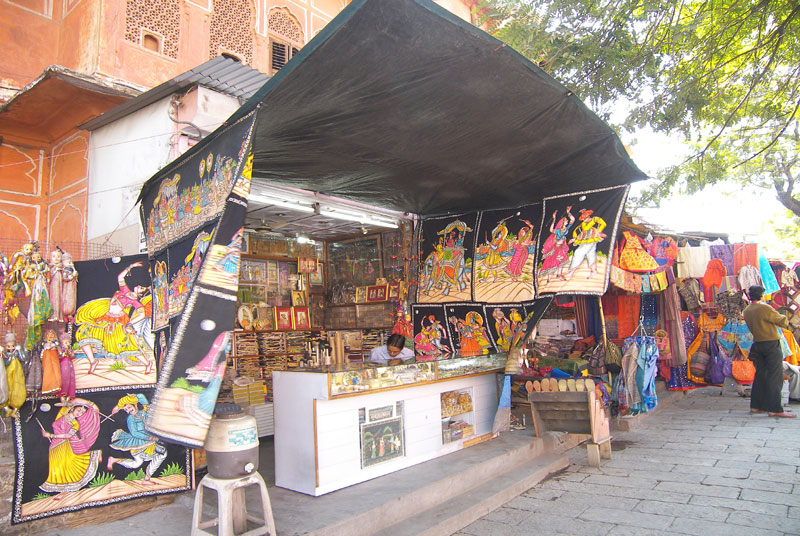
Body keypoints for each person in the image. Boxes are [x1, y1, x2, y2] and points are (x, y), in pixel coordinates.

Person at [742, 285, 795, 418]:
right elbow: (782, 321)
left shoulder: (747, 310)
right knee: (774, 376)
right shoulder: (764, 308)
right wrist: (784, 315)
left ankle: (756, 406)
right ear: (761, 295)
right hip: (771, 344)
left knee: (761, 375)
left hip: (758, 343)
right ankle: (775, 408)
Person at [40, 398, 102, 494]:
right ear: (73, 408)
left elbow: (68, 436)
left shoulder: (75, 424)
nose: (80, 413)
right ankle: (57, 490)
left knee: (62, 467)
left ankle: (64, 492)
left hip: (63, 445)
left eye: (82, 412)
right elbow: (74, 400)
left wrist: (51, 435)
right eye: (79, 410)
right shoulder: (63, 413)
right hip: (54, 444)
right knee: (54, 466)